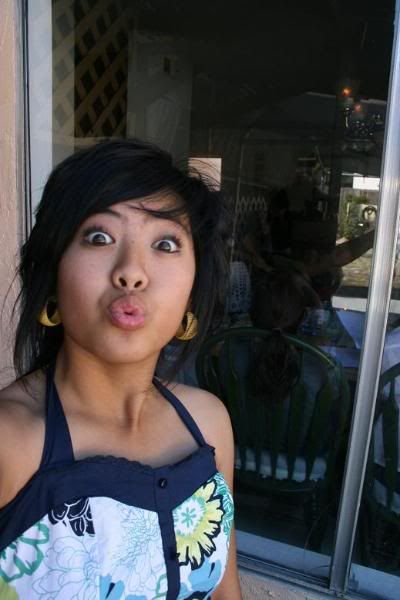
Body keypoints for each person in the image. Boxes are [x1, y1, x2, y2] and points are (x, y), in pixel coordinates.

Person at [0, 140, 242, 599]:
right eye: (99, 237)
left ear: (192, 293)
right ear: (53, 275)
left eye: (165, 244)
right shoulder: (11, 441)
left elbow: (225, 591)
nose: (132, 272)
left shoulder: (208, 424)